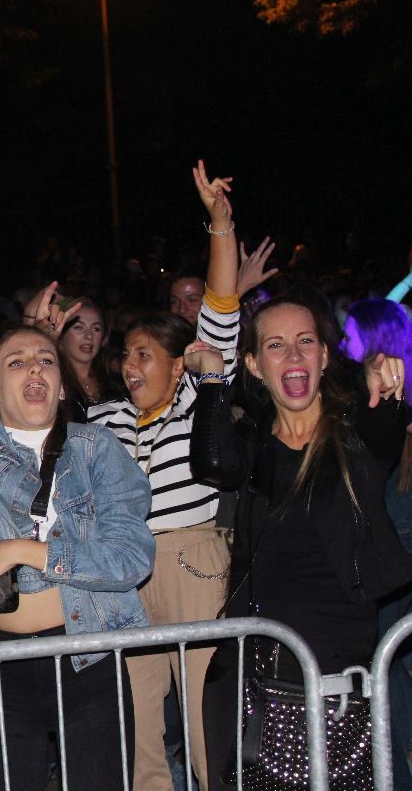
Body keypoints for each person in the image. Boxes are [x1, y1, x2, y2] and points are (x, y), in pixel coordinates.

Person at [0, 161, 155, 791]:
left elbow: (130, 558)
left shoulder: (99, 451)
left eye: (46, 359)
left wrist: (25, 550)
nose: (35, 369)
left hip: (90, 659)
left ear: (62, 382)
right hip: (2, 668)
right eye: (16, 363)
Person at [189, 296, 412, 789]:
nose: (293, 354)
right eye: (276, 345)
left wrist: (380, 381)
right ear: (254, 365)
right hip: (254, 677)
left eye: (305, 341)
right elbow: (212, 462)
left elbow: (385, 424)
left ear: (324, 357)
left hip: (338, 681)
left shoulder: (356, 435)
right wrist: (211, 380)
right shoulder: (253, 443)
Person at [87, 160, 241, 791]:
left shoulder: (196, 399)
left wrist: (220, 224)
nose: (130, 364)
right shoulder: (106, 418)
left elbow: (221, 312)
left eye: (145, 354)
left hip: (190, 561)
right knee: (138, 716)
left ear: (179, 365)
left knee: (205, 710)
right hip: (128, 569)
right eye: (126, 353)